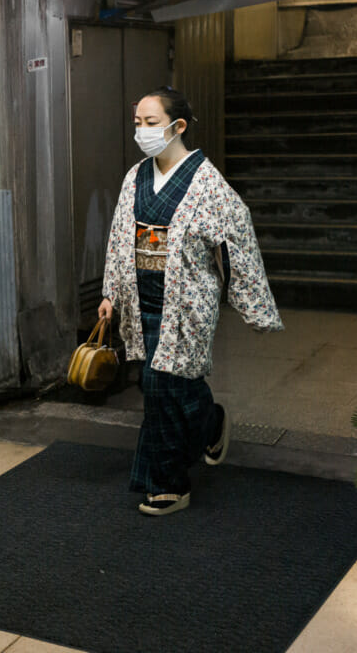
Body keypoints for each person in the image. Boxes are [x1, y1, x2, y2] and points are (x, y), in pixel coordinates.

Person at [97, 87, 282, 516]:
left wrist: (250, 301)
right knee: (164, 384)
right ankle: (212, 423)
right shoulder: (135, 176)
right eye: (137, 123)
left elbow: (237, 235)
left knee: (162, 384)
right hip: (142, 296)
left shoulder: (206, 182)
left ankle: (169, 484)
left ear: (178, 126)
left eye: (151, 123)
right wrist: (110, 292)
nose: (142, 131)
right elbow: (119, 235)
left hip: (186, 301)